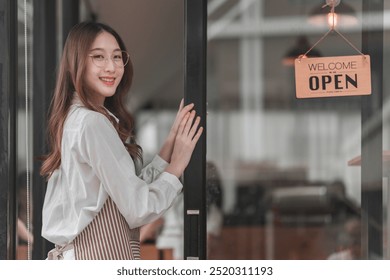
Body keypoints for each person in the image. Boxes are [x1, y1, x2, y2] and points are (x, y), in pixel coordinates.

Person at [40, 21, 203, 260]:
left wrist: (170, 142)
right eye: (98, 57)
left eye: (117, 57)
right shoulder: (92, 123)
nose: (112, 67)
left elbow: (125, 189)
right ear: (76, 63)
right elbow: (138, 207)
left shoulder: (74, 118)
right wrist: (177, 165)